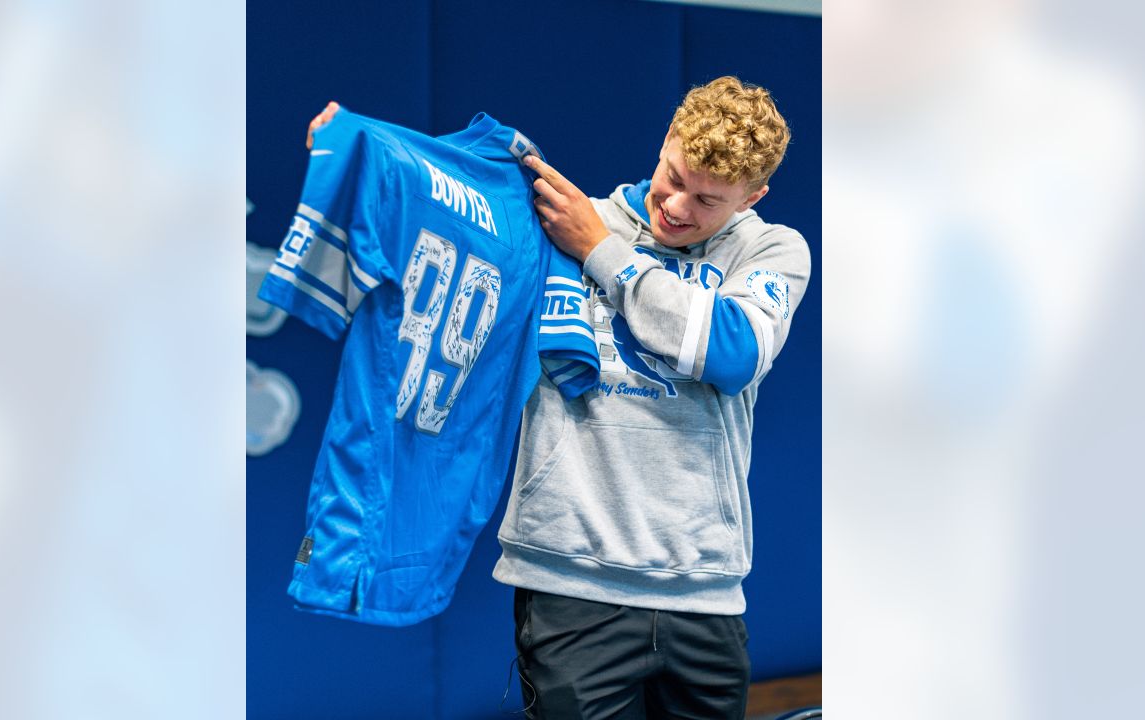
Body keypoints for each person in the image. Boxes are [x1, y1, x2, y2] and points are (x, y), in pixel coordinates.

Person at [306, 77, 810, 719]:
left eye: (707, 200)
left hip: (703, 588)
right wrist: (354, 149)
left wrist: (603, 252)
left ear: (752, 197)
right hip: (569, 581)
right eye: (673, 176)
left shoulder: (770, 249)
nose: (678, 206)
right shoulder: (566, 221)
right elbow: (443, 197)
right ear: (664, 143)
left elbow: (732, 353)